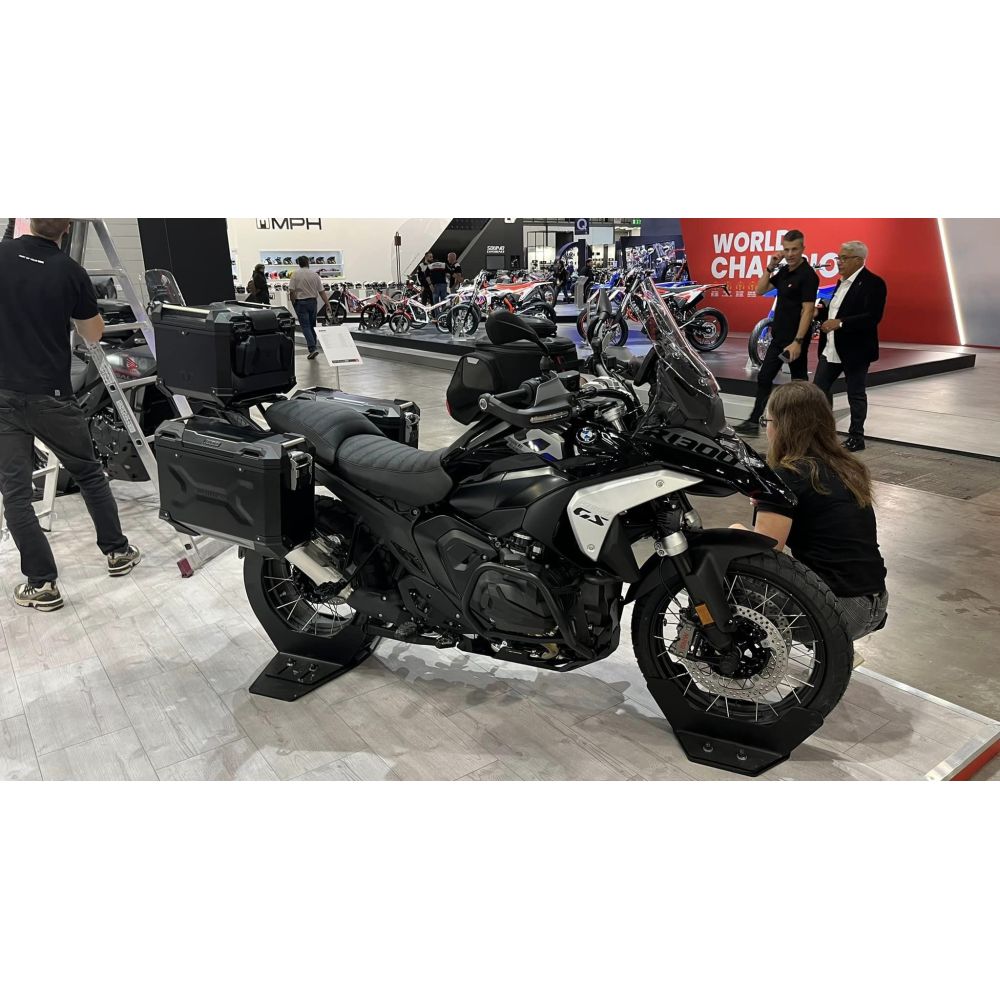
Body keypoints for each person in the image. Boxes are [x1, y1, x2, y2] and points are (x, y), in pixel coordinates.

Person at [0, 219, 141, 612]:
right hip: (53, 396)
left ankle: (41, 584)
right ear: (66, 229)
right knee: (89, 474)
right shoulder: (71, 272)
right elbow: (93, 335)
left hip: (3, 395)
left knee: (15, 494)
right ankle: (117, 552)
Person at [734, 381, 888, 640]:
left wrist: (735, 532)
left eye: (767, 421)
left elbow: (763, 557)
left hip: (841, 610)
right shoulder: (847, 467)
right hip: (874, 602)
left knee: (725, 560)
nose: (766, 429)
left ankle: (748, 655)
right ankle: (832, 656)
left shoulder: (787, 476)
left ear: (782, 426)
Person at [735, 229, 819, 434]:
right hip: (778, 337)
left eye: (794, 249)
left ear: (803, 249)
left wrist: (798, 342)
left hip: (795, 340)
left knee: (799, 383)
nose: (790, 254)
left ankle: (805, 425)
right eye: (786, 249)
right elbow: (760, 290)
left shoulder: (808, 275)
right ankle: (754, 421)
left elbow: (808, 310)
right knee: (765, 377)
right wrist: (770, 267)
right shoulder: (784, 272)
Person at [813, 241, 887, 452]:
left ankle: (856, 437)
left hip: (856, 349)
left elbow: (872, 317)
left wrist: (840, 323)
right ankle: (824, 434)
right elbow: (836, 311)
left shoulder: (874, 283)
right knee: (818, 392)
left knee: (855, 394)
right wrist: (821, 313)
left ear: (859, 260)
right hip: (831, 347)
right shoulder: (841, 283)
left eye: (843, 258)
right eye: (838, 258)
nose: (839, 262)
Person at [287, 255, 332, 360]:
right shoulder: (314, 275)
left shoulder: (295, 274)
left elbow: (291, 291)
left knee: (305, 326)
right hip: (312, 302)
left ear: (299, 263)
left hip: (301, 302)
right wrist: (327, 303)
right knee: (312, 325)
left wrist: (293, 302)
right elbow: (321, 291)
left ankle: (312, 349)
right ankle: (314, 347)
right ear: (308, 262)